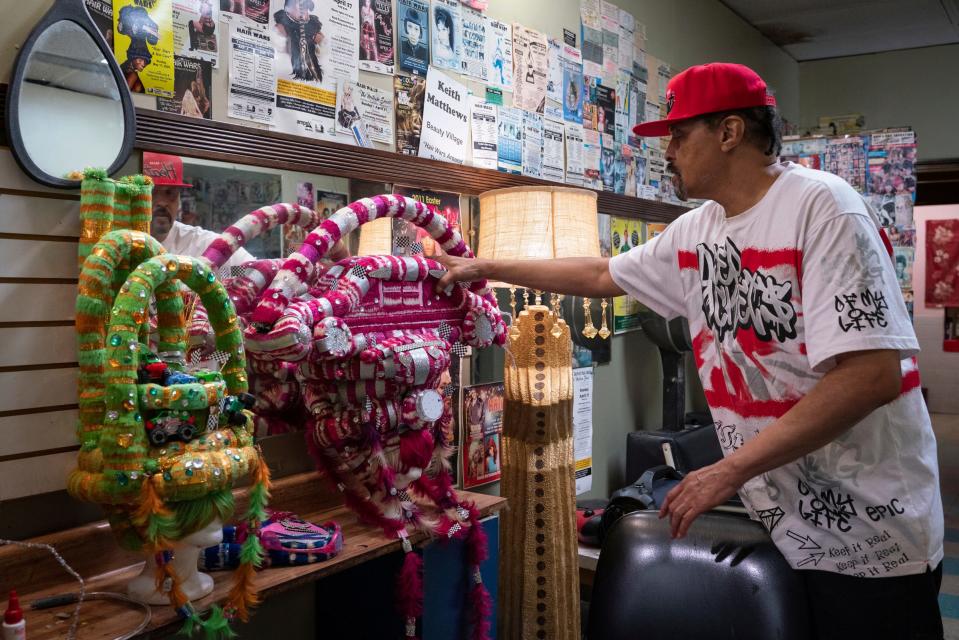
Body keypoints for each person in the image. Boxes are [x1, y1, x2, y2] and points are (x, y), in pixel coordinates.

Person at [436, 62, 944, 640]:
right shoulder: (699, 229)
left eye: (679, 135)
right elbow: (604, 272)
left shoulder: (824, 209)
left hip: (868, 531)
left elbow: (871, 375)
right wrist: (483, 265)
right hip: (784, 524)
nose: (669, 151)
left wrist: (726, 472)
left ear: (729, 133)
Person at [142, 152, 255, 270]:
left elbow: (250, 271)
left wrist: (231, 282)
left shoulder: (200, 244)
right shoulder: (122, 242)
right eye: (152, 192)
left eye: (170, 193)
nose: (162, 202)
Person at [273, 0, 324, 82]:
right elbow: (279, 49)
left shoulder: (313, 26)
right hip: (291, 77)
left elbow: (325, 45)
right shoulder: (282, 27)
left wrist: (317, 39)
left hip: (313, 74)